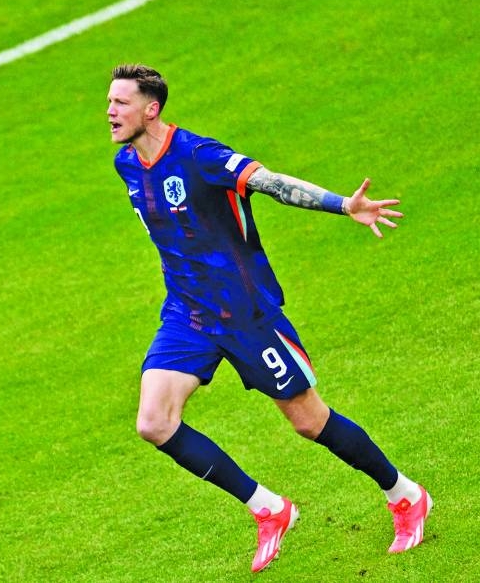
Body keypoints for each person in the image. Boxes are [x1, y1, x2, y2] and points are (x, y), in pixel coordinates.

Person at [106, 64, 431, 573]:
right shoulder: (127, 163)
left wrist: (342, 205)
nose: (110, 111)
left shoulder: (200, 155)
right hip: (189, 313)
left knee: (309, 421)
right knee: (153, 422)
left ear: (152, 109)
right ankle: (269, 509)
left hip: (247, 313)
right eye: (109, 102)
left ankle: (405, 494)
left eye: (121, 103)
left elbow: (271, 183)